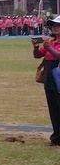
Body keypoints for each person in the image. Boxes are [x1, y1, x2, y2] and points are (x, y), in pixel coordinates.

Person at [33, 15, 60, 146]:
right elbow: (38, 55)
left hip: (58, 77)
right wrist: (36, 47)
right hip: (50, 78)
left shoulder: (52, 44)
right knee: (53, 108)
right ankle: (56, 137)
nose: (55, 27)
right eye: (53, 25)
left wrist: (48, 47)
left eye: (58, 25)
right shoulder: (52, 41)